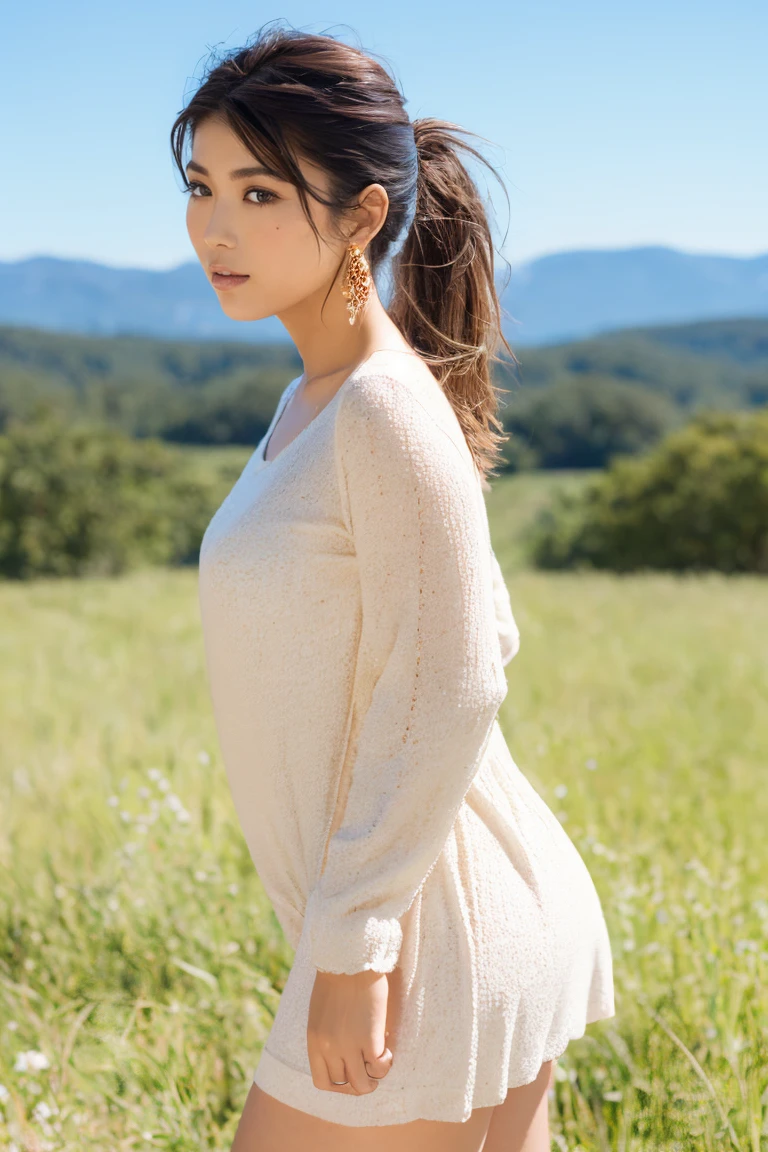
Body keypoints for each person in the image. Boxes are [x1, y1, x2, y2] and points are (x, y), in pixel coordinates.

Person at [174, 22, 615, 1152]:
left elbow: (458, 676)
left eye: (262, 194)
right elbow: (484, 623)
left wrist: (357, 946)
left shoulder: (379, 404)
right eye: (202, 186)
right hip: (421, 924)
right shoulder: (310, 404)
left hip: (433, 935)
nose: (215, 227)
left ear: (364, 217)